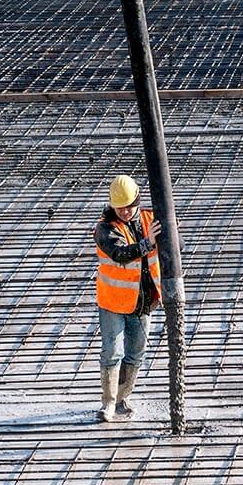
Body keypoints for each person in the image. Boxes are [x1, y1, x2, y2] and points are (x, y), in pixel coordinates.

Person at [94, 175, 162, 421]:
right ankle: (108, 404)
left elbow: (178, 246)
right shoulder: (105, 228)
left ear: (137, 199)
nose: (125, 211)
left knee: (136, 352)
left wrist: (170, 230)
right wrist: (148, 243)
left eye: (129, 205)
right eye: (119, 207)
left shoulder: (149, 219)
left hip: (143, 300)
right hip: (113, 302)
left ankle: (123, 398)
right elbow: (120, 254)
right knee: (112, 352)